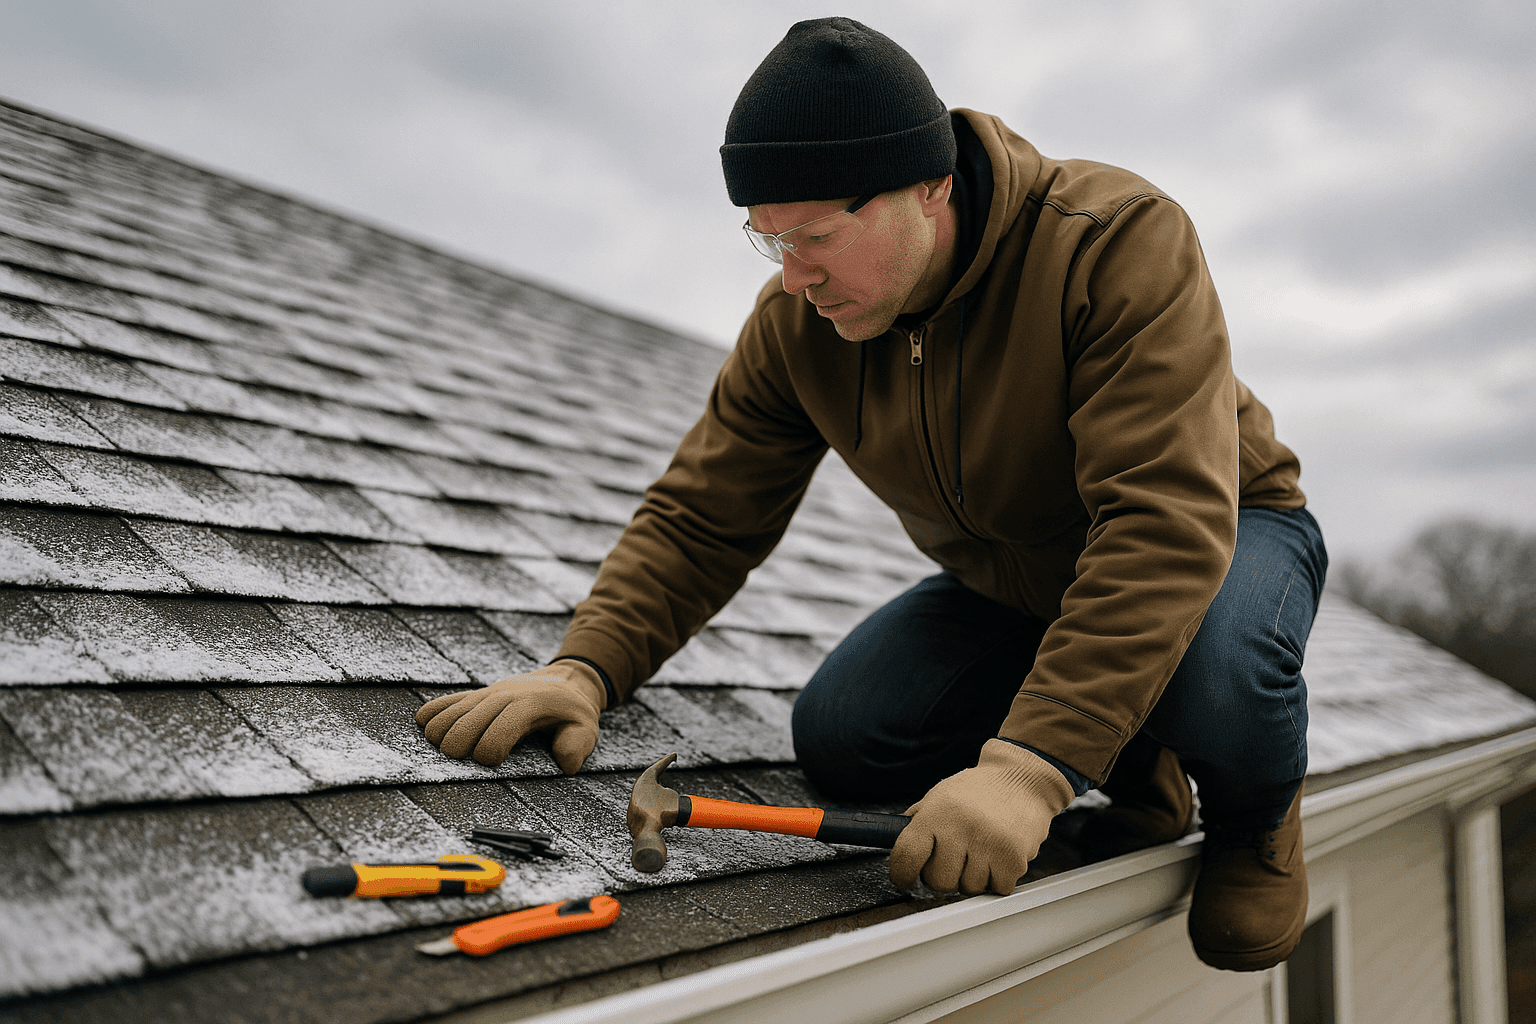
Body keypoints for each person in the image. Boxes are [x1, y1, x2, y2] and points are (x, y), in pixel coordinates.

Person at [416, 17, 1328, 973]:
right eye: (770, 242)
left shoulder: (1114, 243)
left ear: (927, 188)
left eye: (815, 237)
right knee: (848, 735)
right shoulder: (796, 324)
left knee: (1217, 673)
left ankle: (1255, 822)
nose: (795, 278)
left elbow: (1159, 524)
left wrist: (1027, 771)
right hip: (1016, 583)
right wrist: (583, 669)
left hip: (1227, 529)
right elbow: (702, 515)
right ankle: (1134, 752)